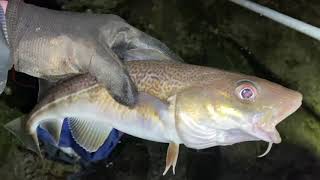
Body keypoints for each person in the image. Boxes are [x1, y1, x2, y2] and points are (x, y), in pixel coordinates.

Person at [0, 0, 182, 164]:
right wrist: (13, 26)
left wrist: (14, 22)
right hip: (33, 85)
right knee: (94, 148)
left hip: (38, 20)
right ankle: (46, 131)